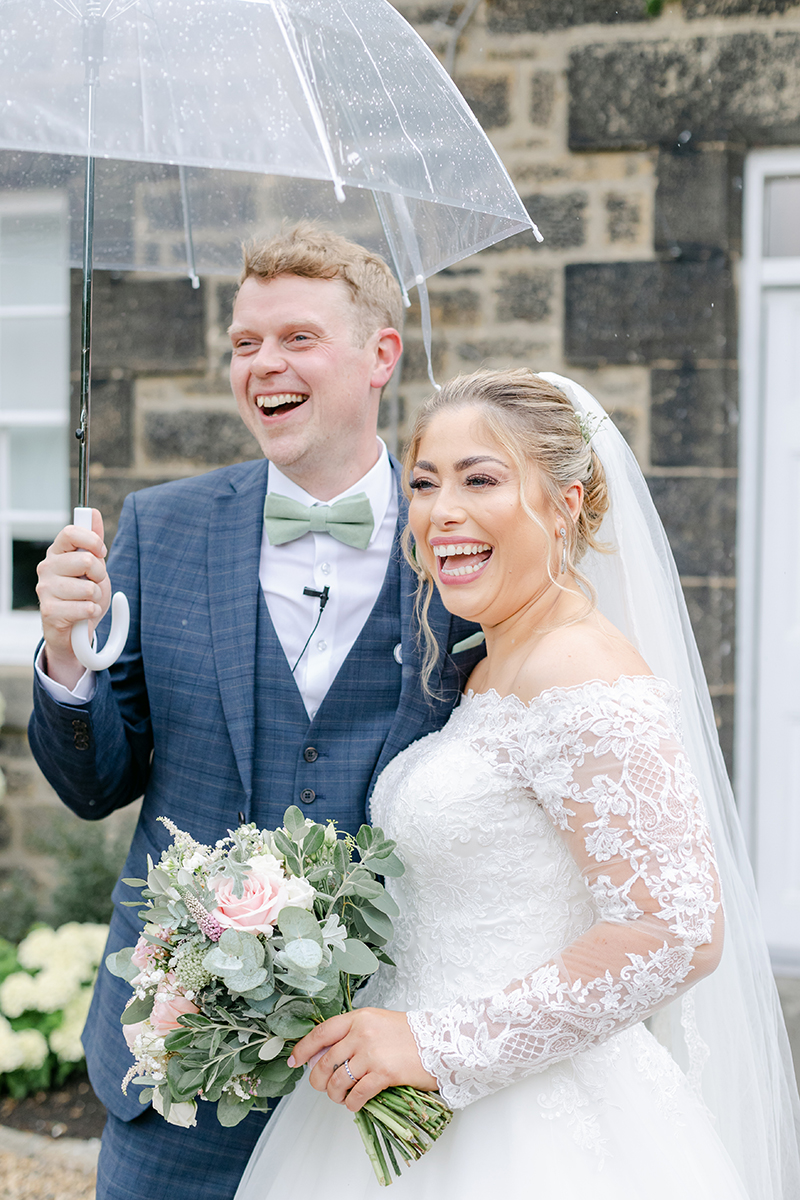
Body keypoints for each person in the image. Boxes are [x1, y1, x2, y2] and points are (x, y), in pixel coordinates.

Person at [233, 370, 800, 1200]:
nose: (441, 512)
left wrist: (439, 1045)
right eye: (424, 483)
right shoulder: (488, 665)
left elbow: (675, 932)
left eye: (481, 479)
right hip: (407, 1097)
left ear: (568, 503)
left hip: (538, 1129)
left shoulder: (582, 668)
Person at [27, 225, 484, 1200]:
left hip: (380, 1068)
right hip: (173, 1069)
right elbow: (96, 784)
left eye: (295, 338)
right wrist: (65, 656)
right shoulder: (161, 524)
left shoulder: (459, 547)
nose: (262, 365)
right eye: (243, 343)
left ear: (379, 355)